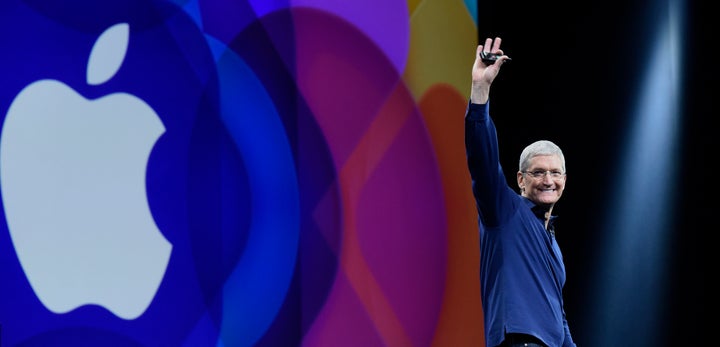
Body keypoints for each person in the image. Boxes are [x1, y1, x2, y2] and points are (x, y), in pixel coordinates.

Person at [464, 37, 578, 347]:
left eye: (555, 173)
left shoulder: (552, 240)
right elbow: (482, 160)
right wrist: (480, 91)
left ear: (565, 180)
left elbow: (559, 315)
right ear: (520, 179)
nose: (547, 180)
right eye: (538, 172)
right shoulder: (505, 210)